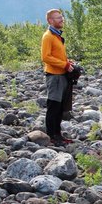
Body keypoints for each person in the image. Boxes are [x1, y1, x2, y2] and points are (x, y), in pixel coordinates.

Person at [41, 8, 74, 146]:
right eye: (58, 17)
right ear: (50, 21)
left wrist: (67, 63)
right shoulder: (48, 36)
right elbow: (45, 57)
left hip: (61, 75)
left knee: (60, 107)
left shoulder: (57, 36)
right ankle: (51, 136)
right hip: (54, 76)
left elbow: (55, 55)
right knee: (54, 106)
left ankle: (57, 134)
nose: (62, 19)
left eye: (61, 17)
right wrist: (64, 65)